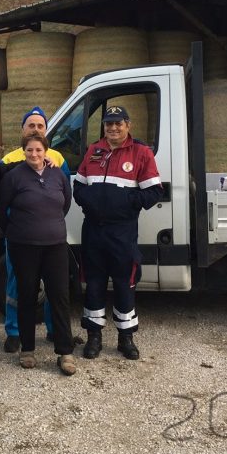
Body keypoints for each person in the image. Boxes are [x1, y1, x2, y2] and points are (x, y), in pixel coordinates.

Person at [73, 105, 162, 361]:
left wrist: (125, 202)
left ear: (128, 125)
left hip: (122, 233)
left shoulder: (141, 153)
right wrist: (88, 200)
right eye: (108, 123)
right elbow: (78, 185)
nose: (113, 128)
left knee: (125, 284)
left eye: (118, 123)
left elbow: (154, 191)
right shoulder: (93, 151)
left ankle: (126, 338)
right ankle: (94, 337)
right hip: (93, 230)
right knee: (94, 284)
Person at [0, 133, 75, 375]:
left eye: (39, 150)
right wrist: (15, 231)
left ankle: (65, 352)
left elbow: (65, 204)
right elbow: (2, 210)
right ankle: (28, 349)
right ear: (24, 151)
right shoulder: (14, 177)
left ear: (46, 152)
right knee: (27, 296)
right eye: (30, 150)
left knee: (60, 297)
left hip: (55, 245)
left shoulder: (57, 175)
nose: (34, 154)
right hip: (24, 246)